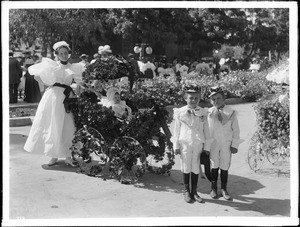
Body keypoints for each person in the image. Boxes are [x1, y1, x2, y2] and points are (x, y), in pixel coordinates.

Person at [24, 41, 84, 167]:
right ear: (57, 54)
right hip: (53, 97)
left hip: (67, 97)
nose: (63, 55)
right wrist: (50, 83)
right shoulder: (52, 66)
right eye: (61, 53)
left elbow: (80, 82)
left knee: (67, 125)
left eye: (66, 53)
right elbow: (37, 76)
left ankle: (68, 156)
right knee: (53, 124)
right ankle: (53, 155)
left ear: (68, 54)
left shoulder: (73, 67)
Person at [173, 86, 211, 203]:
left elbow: (206, 130)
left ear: (199, 99)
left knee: (195, 166)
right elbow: (176, 130)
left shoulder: (203, 112)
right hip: (185, 143)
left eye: (196, 98)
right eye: (191, 98)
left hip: (198, 143)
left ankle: (194, 191)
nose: (193, 100)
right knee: (186, 166)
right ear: (186, 98)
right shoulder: (180, 112)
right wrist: (176, 146)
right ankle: (186, 190)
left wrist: (207, 147)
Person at [207, 86, 243, 200]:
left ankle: (223, 188)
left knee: (224, 165)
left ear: (224, 99)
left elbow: (236, 130)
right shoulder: (209, 113)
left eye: (218, 98)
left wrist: (234, 145)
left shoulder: (231, 112)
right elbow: (206, 130)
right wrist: (206, 146)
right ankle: (213, 188)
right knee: (214, 165)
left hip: (226, 144)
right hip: (213, 144)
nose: (216, 101)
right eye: (213, 99)